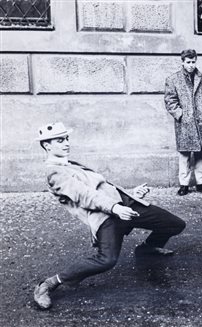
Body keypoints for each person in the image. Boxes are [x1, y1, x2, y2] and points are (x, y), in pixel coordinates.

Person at [33, 122, 186, 310]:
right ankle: (48, 284)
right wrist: (114, 208)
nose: (66, 143)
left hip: (124, 205)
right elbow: (85, 195)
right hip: (106, 216)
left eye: (67, 138)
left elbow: (104, 187)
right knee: (106, 260)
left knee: (175, 224)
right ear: (47, 145)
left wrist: (131, 194)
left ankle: (147, 248)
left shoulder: (68, 163)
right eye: (60, 140)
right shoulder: (55, 173)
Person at [164, 49, 202, 196]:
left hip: (201, 122)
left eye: (193, 62)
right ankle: (184, 184)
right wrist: (181, 115)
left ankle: (201, 183)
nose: (191, 65)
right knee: (184, 154)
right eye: (188, 62)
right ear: (182, 62)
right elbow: (170, 101)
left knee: (200, 154)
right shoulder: (173, 79)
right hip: (185, 123)